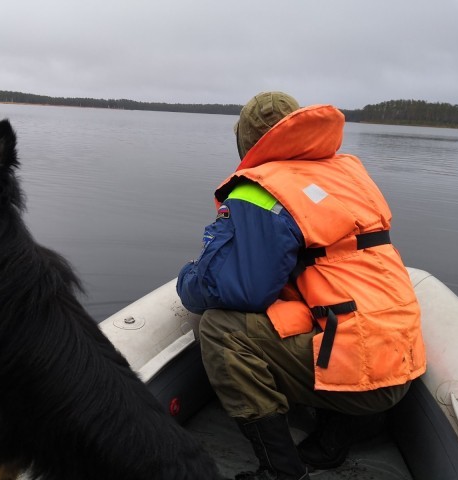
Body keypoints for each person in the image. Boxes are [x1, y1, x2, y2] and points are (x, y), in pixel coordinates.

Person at [177, 92, 426, 480]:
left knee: (221, 328)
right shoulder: (347, 171)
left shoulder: (260, 189)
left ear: (246, 141)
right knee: (318, 305)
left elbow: (244, 290)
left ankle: (281, 470)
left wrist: (187, 281)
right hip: (400, 360)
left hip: (364, 377)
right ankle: (333, 439)